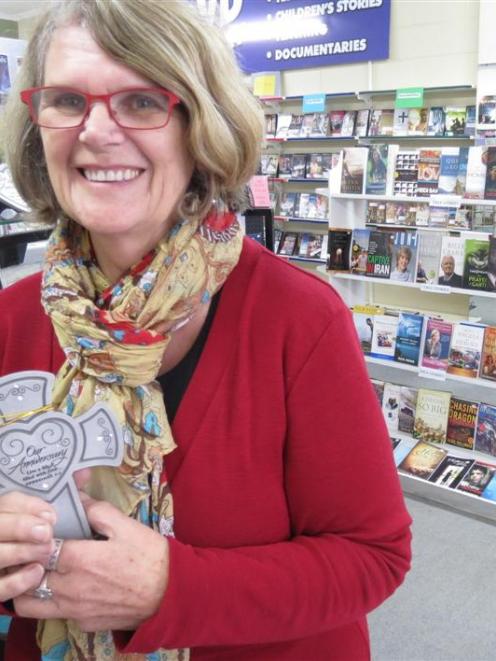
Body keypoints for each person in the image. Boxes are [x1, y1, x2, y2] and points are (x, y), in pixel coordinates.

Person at [0, 1, 412, 660]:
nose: (98, 131)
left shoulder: (298, 318)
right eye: (68, 99)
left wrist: (170, 588)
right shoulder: (12, 318)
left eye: (140, 102)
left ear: (201, 128)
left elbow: (373, 556)